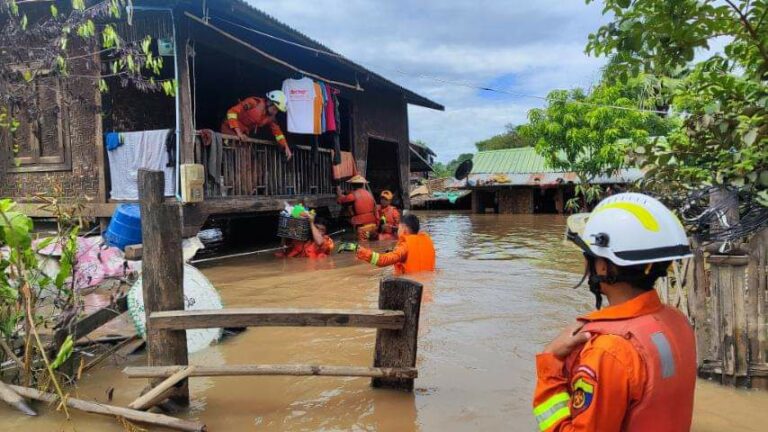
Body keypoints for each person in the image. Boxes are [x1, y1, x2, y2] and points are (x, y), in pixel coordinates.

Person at [532, 193, 696, 432]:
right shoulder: (676, 320)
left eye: (588, 256)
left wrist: (550, 362)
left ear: (602, 265)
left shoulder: (608, 351)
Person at [338, 213, 435, 275]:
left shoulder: (405, 246)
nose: (397, 230)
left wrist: (358, 249)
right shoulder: (427, 241)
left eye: (399, 227)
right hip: (427, 287)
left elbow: (382, 260)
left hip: (410, 286)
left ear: (404, 229)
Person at [221, 90, 292, 160]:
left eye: (277, 110)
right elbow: (232, 112)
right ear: (269, 102)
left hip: (243, 135)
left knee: (245, 156)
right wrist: (238, 132)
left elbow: (278, 133)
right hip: (229, 129)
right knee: (231, 154)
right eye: (275, 108)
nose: (275, 112)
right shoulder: (253, 102)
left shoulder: (271, 118)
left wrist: (286, 146)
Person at [336, 175, 378, 241]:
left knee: (362, 246)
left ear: (352, 185)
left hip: (361, 224)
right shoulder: (369, 194)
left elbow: (340, 201)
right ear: (362, 184)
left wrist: (339, 194)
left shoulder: (353, 195)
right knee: (372, 243)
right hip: (372, 223)